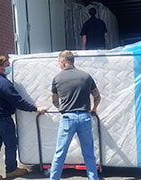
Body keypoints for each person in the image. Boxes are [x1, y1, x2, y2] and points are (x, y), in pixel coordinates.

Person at [0, 56, 46, 180]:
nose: (9, 68)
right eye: (7, 65)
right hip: (2, 119)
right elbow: (18, 102)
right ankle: (11, 170)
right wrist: (35, 108)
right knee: (11, 144)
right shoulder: (4, 83)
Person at [50, 50, 101, 180]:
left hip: (67, 117)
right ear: (73, 61)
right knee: (88, 153)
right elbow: (97, 96)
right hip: (84, 117)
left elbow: (55, 101)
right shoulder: (86, 76)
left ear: (62, 63)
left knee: (60, 152)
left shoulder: (57, 78)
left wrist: (62, 108)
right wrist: (93, 108)